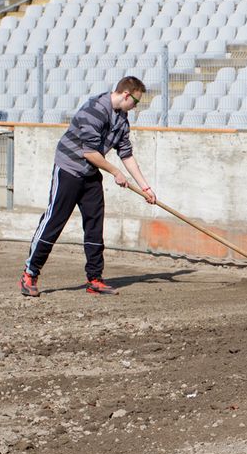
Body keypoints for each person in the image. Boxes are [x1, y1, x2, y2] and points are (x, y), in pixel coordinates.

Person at [19, 76, 156, 297]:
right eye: (136, 102)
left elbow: (126, 153)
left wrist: (145, 188)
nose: (136, 107)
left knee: (94, 224)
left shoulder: (122, 120)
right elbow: (89, 152)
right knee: (54, 221)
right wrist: (115, 172)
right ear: (126, 95)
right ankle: (30, 273)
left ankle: (94, 279)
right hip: (69, 170)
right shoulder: (95, 110)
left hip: (91, 173)